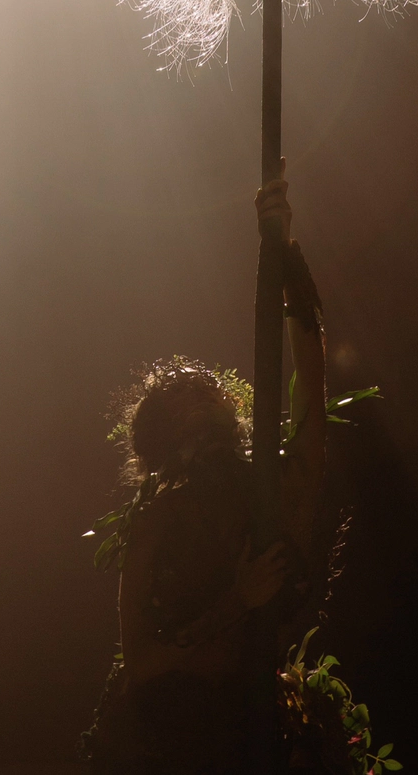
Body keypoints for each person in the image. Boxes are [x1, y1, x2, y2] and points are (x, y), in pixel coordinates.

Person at [80, 161, 327, 774]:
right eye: (185, 395)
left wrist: (284, 251)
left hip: (259, 737)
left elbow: (311, 391)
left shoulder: (272, 486)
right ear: (168, 435)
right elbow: (143, 663)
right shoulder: (157, 519)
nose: (206, 389)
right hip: (173, 744)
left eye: (205, 387)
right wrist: (238, 600)